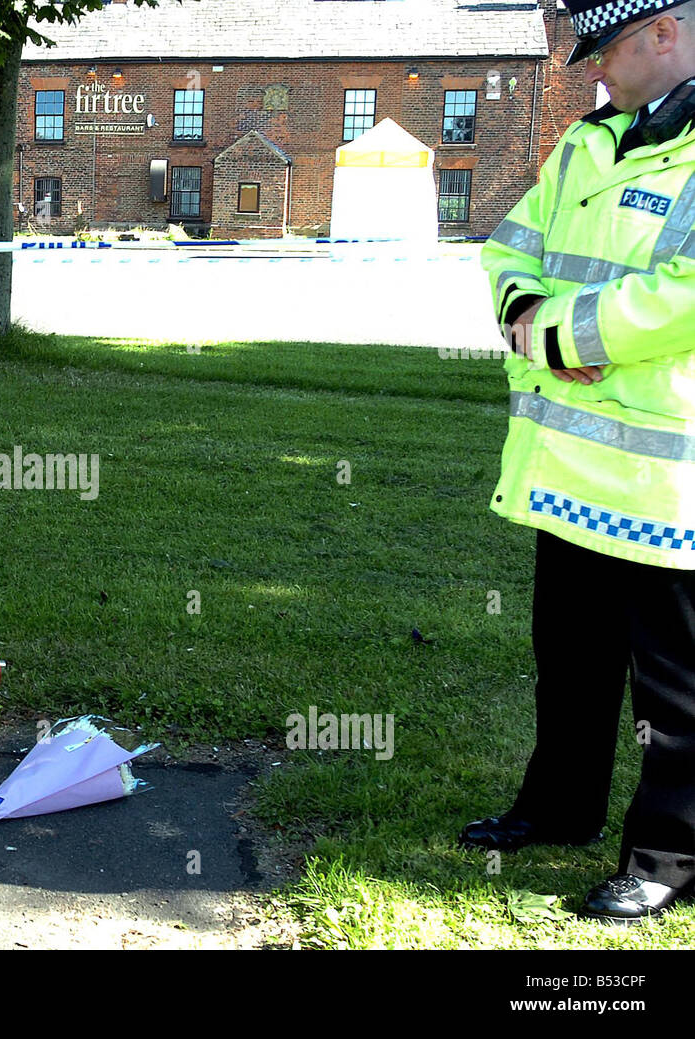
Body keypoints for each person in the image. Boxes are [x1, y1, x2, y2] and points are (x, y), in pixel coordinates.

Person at [462, 0, 695, 923]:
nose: (586, 72)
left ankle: (669, 854)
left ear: (664, 33)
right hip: (570, 472)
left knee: (674, 688)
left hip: (670, 482)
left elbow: (681, 293)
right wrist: (522, 305)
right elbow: (512, 246)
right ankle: (558, 808)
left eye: (600, 53)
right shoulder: (588, 144)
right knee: (570, 659)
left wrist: (554, 332)